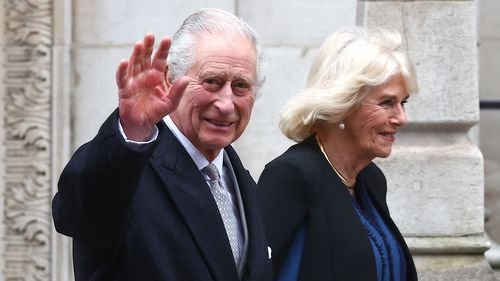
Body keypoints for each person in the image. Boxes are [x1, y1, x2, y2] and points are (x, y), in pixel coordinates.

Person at [52, 8, 272, 281]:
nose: (226, 104)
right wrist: (131, 132)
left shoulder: (240, 181)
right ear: (170, 79)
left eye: (240, 86)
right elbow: (74, 214)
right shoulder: (129, 169)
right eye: (212, 82)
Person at [258, 27, 419, 281]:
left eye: (403, 103)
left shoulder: (372, 179)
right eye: (387, 103)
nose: (401, 118)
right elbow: (258, 272)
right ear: (343, 104)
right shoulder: (292, 175)